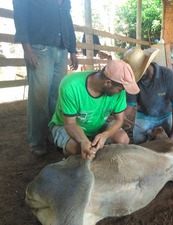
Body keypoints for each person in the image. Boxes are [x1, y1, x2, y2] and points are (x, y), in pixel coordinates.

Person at [13, 0, 79, 156]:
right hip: (39, 46)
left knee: (57, 98)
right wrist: (26, 47)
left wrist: (73, 50)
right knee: (39, 97)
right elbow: (20, 11)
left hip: (61, 49)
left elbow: (67, 19)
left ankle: (52, 134)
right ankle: (37, 141)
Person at [49, 60, 140, 160]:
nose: (122, 92)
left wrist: (105, 135)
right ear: (108, 83)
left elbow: (119, 120)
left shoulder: (118, 89)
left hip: (96, 126)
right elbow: (70, 124)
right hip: (66, 125)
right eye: (120, 89)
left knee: (122, 139)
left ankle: (96, 151)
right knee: (76, 148)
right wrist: (83, 141)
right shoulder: (71, 85)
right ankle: (66, 152)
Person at [123, 47, 173, 144]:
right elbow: (130, 104)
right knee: (138, 140)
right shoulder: (135, 81)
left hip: (167, 115)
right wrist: (119, 117)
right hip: (145, 116)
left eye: (140, 73)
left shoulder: (167, 75)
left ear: (146, 65)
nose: (138, 77)